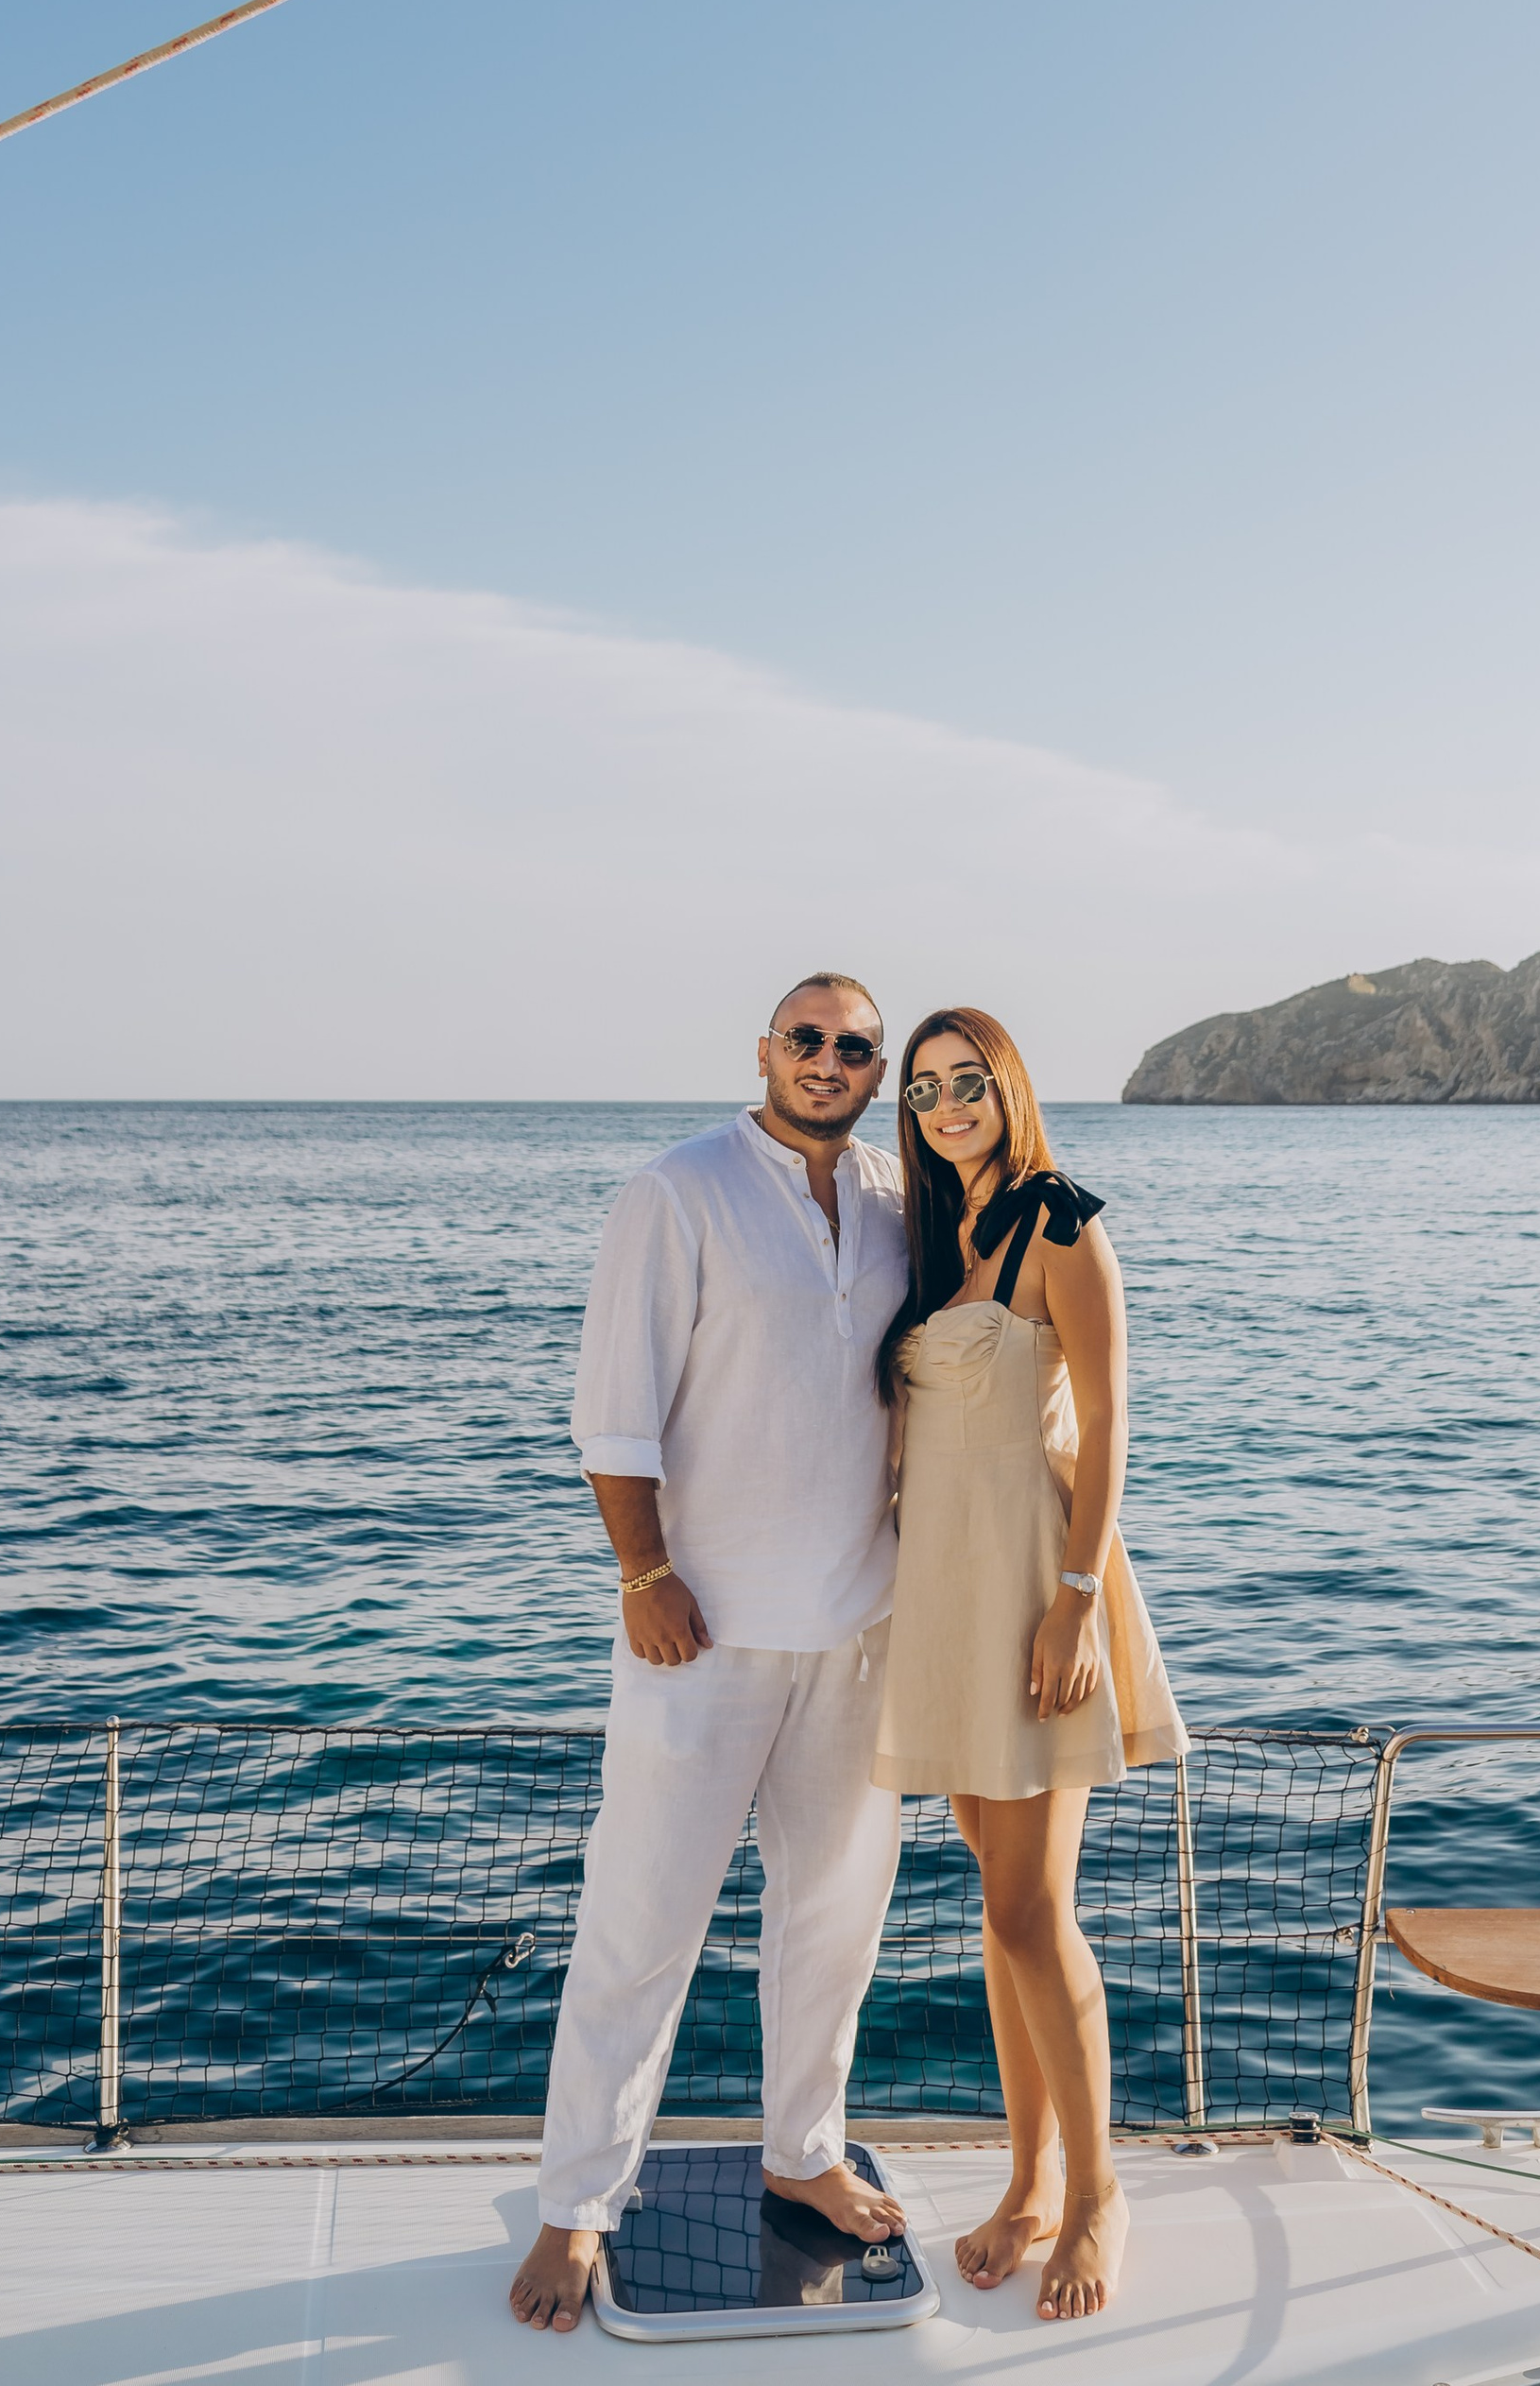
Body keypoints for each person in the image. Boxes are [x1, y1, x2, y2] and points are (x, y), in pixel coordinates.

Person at [508, 975, 914, 2335]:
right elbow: (612, 1415)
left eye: (856, 1046)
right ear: (765, 1051)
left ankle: (804, 2154)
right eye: (807, 1038)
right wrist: (645, 1571)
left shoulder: (902, 1208)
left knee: (834, 1925)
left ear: (875, 1070)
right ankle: (577, 2205)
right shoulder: (674, 1193)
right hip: (704, 1631)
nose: (829, 1059)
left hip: (862, 1630)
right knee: (641, 1921)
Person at [869, 1005, 1184, 2325]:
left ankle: (1100, 2191)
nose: (948, 1105)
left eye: (969, 1083)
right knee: (1001, 1923)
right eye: (927, 1088)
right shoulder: (930, 1238)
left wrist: (1068, 1605)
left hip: (1035, 1594)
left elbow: (1110, 1421)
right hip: (942, 1603)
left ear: (1009, 1090)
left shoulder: (1063, 1224)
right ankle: (1030, 2182)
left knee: (1028, 1912)